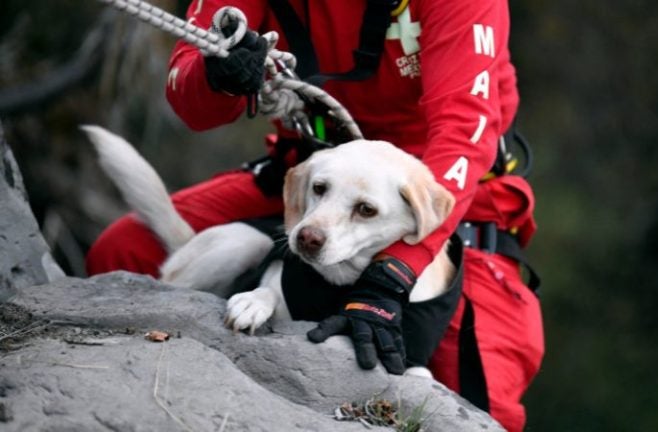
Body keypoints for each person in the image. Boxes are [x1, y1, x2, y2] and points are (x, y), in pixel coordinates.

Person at [86, 1, 544, 430]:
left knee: (483, 402)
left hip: (439, 198)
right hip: (311, 176)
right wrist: (218, 74)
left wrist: (396, 269)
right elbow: (190, 101)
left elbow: (465, 134)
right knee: (125, 251)